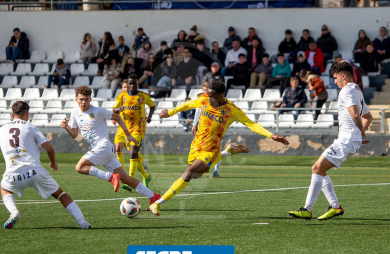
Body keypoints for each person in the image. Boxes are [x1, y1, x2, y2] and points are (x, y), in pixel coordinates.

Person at [149, 81, 289, 216]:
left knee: (189, 172)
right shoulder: (203, 99)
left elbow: (251, 124)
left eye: (212, 97)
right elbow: (187, 105)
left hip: (210, 150)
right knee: (196, 176)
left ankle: (158, 203)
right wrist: (171, 112)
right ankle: (227, 153)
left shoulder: (231, 110)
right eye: (208, 95)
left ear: (221, 96)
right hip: (196, 146)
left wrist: (271, 135)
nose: (208, 99)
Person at [0, 101, 91, 229]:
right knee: (61, 195)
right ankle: (82, 221)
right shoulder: (31, 127)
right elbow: (49, 149)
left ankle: (14, 212)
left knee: (4, 188)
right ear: (27, 114)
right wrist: (53, 163)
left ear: (12, 114)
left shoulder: (0, 130)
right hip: (34, 171)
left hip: (13, 174)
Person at [289, 62, 373, 221]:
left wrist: (360, 131)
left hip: (346, 140)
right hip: (349, 140)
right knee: (320, 170)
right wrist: (360, 132)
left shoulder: (346, 91)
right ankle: (335, 207)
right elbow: (368, 117)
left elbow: (356, 115)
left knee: (316, 168)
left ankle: (307, 209)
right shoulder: (357, 90)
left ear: (343, 76)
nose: (335, 82)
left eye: (335, 78)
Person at [61, 85, 161, 203]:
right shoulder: (74, 112)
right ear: (76, 99)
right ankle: (154, 196)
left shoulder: (98, 111)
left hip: (103, 147)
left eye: (86, 99)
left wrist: (128, 135)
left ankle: (111, 177)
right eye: (81, 99)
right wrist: (67, 127)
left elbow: (117, 118)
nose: (84, 102)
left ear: (90, 99)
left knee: (79, 167)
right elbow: (74, 134)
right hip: (104, 151)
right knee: (126, 179)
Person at [113, 75, 156, 190]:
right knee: (120, 150)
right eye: (130, 84)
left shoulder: (143, 96)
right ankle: (145, 177)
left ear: (137, 84)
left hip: (138, 128)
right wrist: (119, 109)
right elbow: (114, 109)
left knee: (133, 153)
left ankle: (128, 180)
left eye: (134, 84)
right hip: (123, 128)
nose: (131, 86)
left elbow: (152, 105)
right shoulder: (122, 95)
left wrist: (150, 117)